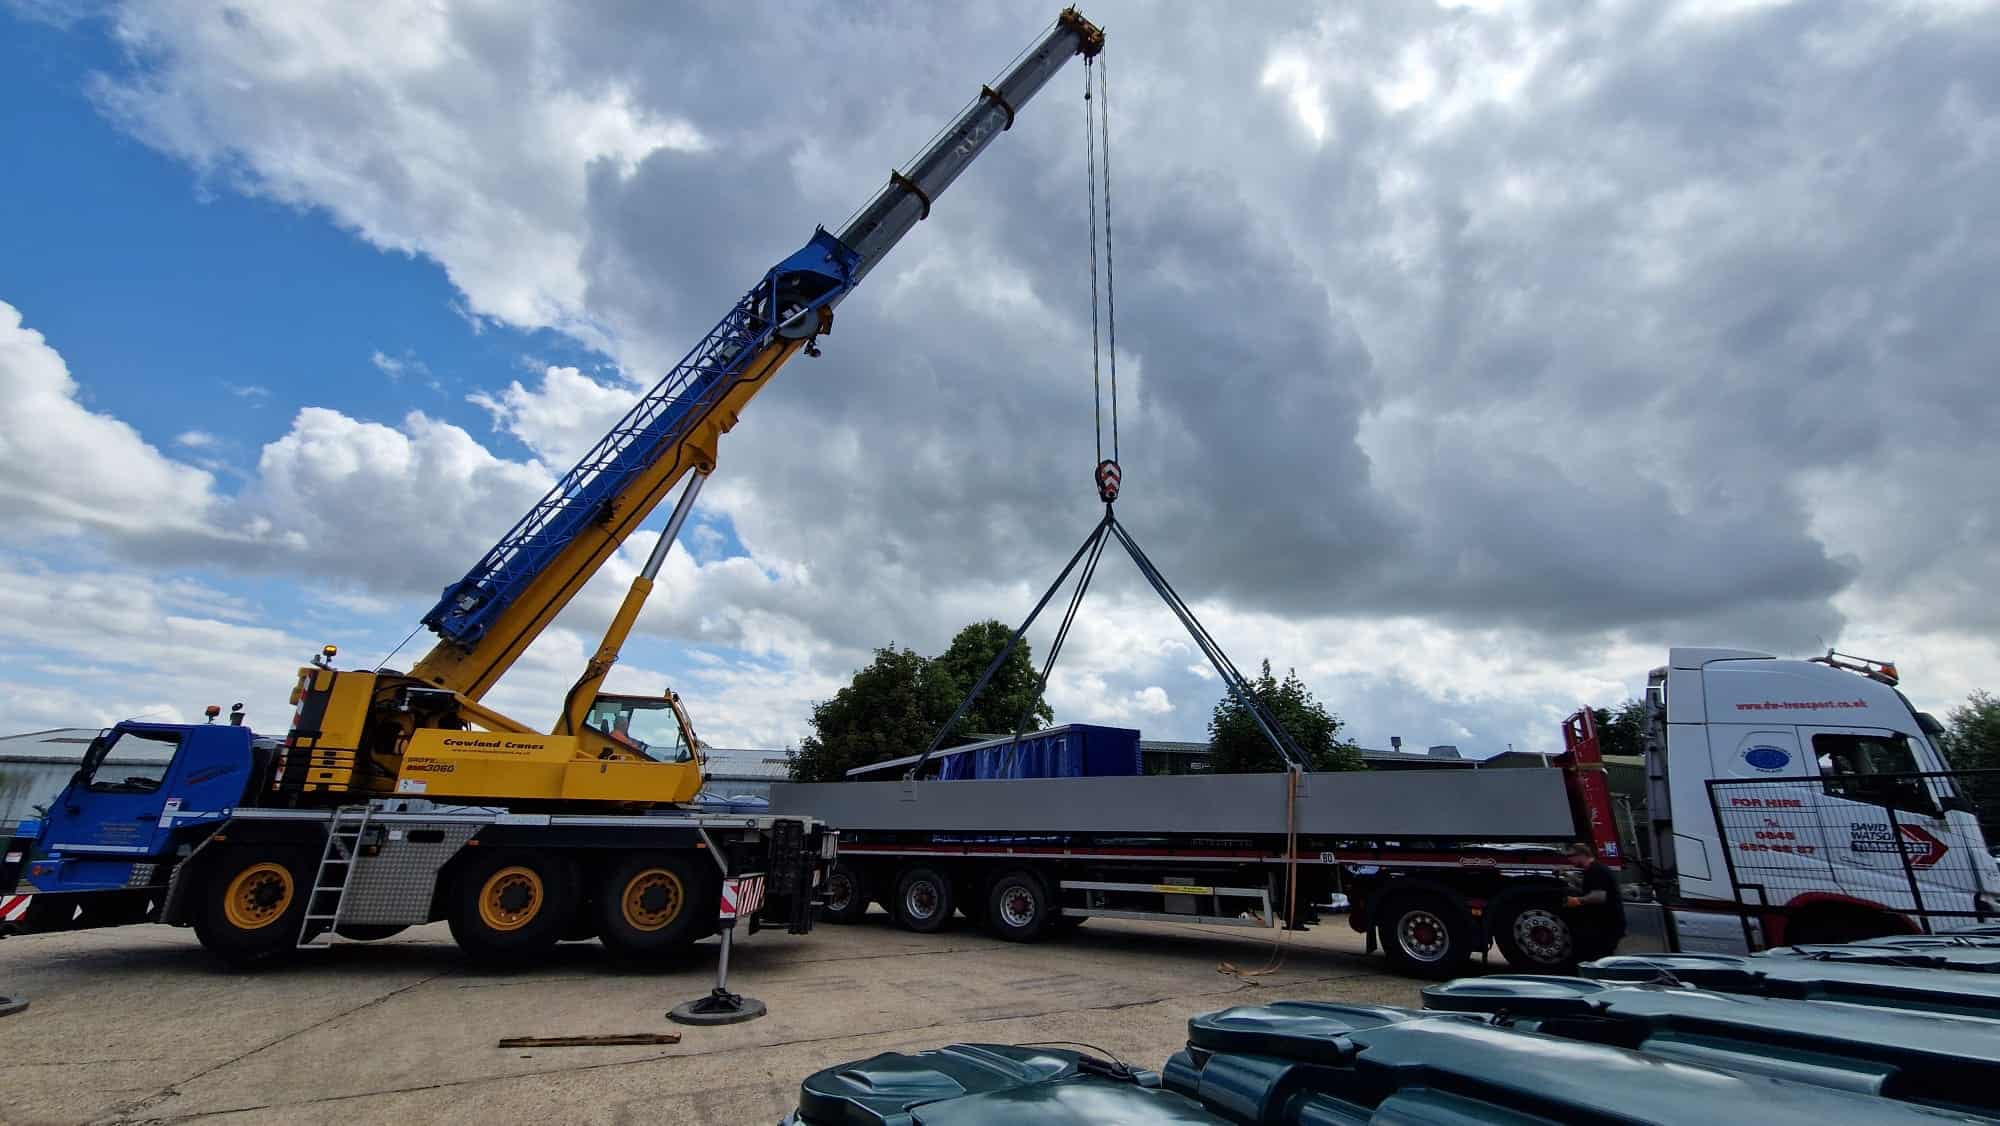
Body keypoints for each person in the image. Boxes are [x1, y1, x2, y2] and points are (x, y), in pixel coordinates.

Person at [1564, 840, 1626, 963]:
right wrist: (1568, 875)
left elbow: (1599, 896)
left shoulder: (1597, 870)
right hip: (1601, 924)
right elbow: (1589, 887)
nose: (1569, 860)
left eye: (1571, 856)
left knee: (1601, 959)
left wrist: (1576, 900)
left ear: (1582, 855)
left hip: (1608, 924)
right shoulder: (1591, 870)